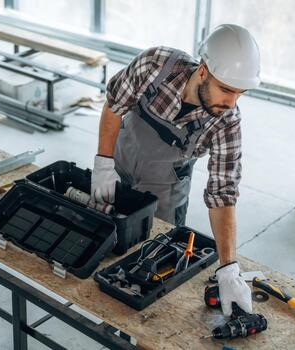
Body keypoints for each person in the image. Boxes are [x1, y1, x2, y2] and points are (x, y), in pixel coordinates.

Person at [90, 24, 261, 316]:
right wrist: (103, 162)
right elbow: (114, 106)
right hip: (119, 163)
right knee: (104, 244)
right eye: (226, 90)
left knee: (154, 266)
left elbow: (223, 194)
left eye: (240, 93)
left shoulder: (227, 122)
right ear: (204, 71)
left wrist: (228, 266)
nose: (231, 102)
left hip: (165, 191)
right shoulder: (155, 65)